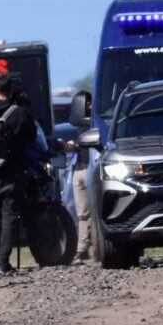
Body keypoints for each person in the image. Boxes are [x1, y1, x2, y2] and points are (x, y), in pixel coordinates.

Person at [0, 73, 49, 275]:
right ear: (11, 89)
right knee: (9, 217)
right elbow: (31, 138)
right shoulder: (19, 113)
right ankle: (2, 262)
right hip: (11, 172)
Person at [66, 92, 96, 262]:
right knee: (82, 214)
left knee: (94, 213)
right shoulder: (79, 126)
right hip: (80, 169)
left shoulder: (98, 121)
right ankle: (82, 248)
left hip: (91, 169)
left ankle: (97, 246)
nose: (88, 106)